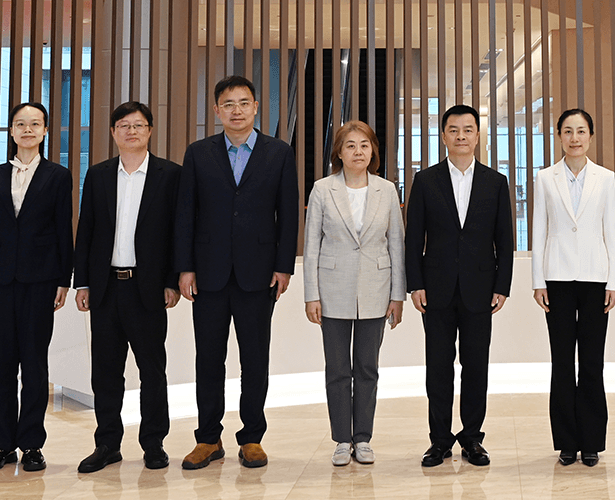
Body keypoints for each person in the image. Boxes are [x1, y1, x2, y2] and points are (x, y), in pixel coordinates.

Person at [174, 75, 299, 469]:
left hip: (258, 274)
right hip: (208, 274)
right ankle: (208, 439)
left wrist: (283, 267)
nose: (237, 110)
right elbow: (185, 214)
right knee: (208, 359)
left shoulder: (278, 152)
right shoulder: (198, 152)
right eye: (228, 104)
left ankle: (252, 438)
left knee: (254, 360)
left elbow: (288, 212)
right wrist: (185, 267)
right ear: (216, 110)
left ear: (256, 107)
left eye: (244, 103)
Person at [73, 101, 181, 473]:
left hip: (148, 289)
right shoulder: (99, 175)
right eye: (124, 125)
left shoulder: (170, 175)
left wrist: (172, 281)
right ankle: (107, 444)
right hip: (105, 288)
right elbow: (85, 230)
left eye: (138, 125)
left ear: (150, 131)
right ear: (114, 133)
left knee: (152, 370)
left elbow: (176, 234)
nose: (131, 131)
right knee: (105, 371)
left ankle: (153, 443)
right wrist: (82, 281)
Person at [405, 104, 514, 467]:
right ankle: (439, 440)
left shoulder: (495, 182)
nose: (461, 136)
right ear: (444, 135)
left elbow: (505, 239)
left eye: (468, 130)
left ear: (478, 135)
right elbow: (412, 238)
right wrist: (415, 283)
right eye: (454, 130)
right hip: (435, 289)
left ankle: (471, 438)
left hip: (480, 289)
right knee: (438, 367)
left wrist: (503, 285)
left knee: (475, 365)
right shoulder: (425, 181)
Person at [0, 102, 73, 473]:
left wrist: (65, 280)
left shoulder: (58, 176)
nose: (27, 129)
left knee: (34, 365)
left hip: (41, 281)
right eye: (20, 124)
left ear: (45, 131)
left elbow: (64, 231)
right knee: (1, 369)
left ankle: (31, 444)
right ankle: (1, 445)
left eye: (35, 124)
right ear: (11, 131)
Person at [303, 121, 406, 466]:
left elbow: (396, 246)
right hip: (332, 290)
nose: (358, 152)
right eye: (350, 146)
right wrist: (311, 294)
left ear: (373, 151)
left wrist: (398, 296)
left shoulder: (387, 190)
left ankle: (362, 438)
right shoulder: (322, 189)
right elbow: (312, 246)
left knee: (367, 367)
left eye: (365, 145)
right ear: (339, 152)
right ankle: (340, 439)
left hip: (377, 290)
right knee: (337, 368)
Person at [531, 109, 615, 468]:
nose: (574, 138)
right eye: (567, 131)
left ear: (591, 136)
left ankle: (592, 441)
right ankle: (567, 441)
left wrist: (614, 280)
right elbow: (539, 230)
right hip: (557, 278)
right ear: (558, 136)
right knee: (563, 362)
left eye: (581, 131)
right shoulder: (545, 177)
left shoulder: (606, 177)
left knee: (593, 363)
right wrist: (538, 280)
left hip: (596, 278)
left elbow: (610, 229)